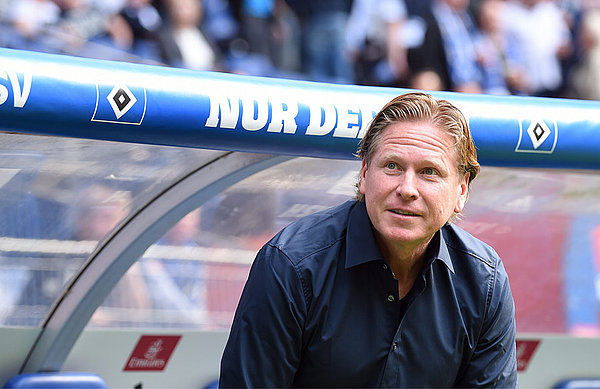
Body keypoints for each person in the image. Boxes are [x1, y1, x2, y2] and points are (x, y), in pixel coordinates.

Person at [219, 92, 517, 387]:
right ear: (364, 173)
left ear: (461, 191)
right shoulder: (290, 265)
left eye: (429, 172)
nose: (407, 188)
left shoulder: (484, 281)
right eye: (392, 166)